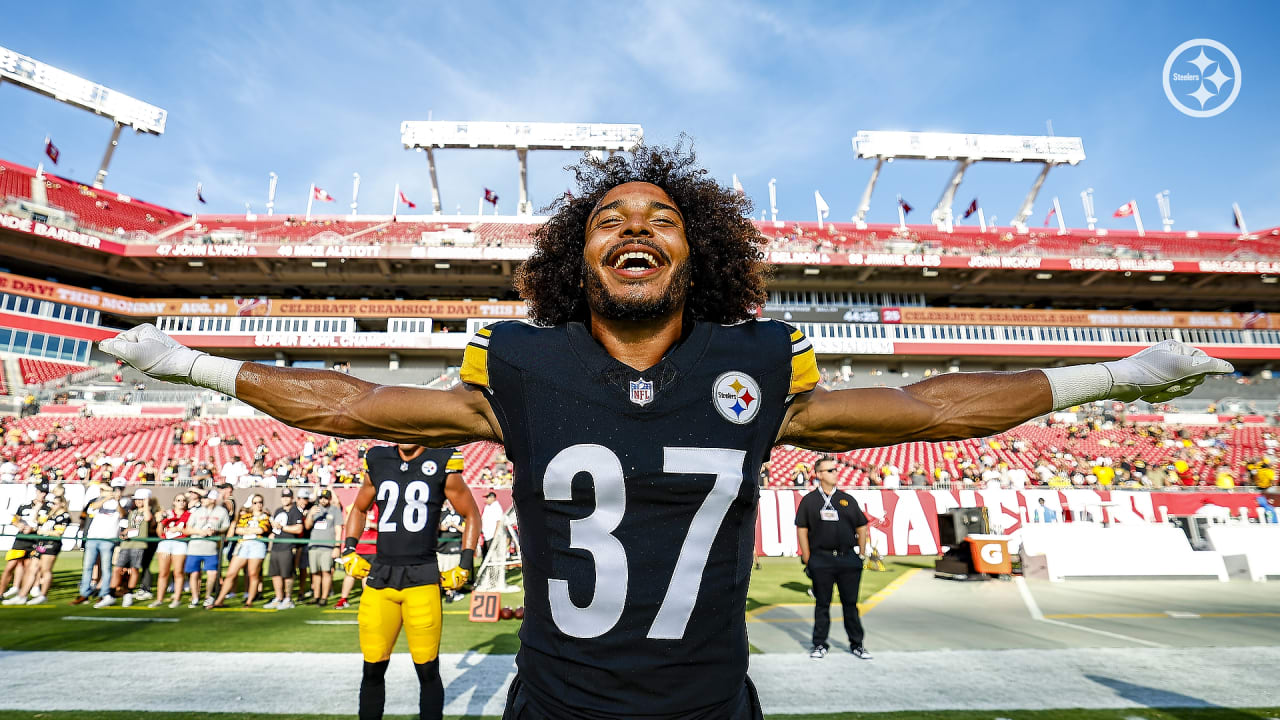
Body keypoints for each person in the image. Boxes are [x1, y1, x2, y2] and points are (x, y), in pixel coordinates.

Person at [101, 143, 1235, 719]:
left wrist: (1114, 374)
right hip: (557, 707)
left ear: (699, 255)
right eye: (609, 218)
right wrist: (187, 362)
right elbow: (348, 406)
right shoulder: (521, 366)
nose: (634, 228)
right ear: (574, 256)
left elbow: (930, 405)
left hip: (707, 708)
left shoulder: (752, 364)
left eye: (660, 219)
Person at [334, 444, 479, 720]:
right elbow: (359, 508)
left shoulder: (442, 459)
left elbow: (470, 513)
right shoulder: (378, 459)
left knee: (426, 669)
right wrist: (348, 549)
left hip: (422, 577)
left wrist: (465, 564)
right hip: (382, 577)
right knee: (372, 668)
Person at [795, 455, 871, 660]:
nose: (835, 473)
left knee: (850, 605)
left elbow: (862, 526)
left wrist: (861, 553)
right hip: (821, 559)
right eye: (830, 470)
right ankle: (820, 644)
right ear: (819, 474)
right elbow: (801, 528)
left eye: (835, 470)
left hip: (848, 559)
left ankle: (857, 644)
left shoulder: (847, 499)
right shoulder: (809, 501)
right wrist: (807, 556)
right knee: (822, 605)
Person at [74, 479, 126, 607]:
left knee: (106, 568)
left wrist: (117, 501)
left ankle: (104, 594)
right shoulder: (98, 500)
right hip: (93, 538)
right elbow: (93, 508)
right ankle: (84, 594)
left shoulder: (124, 501)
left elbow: (122, 514)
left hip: (108, 539)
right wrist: (107, 498)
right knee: (88, 567)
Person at [213, 494, 271, 608]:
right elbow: (238, 529)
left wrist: (247, 530)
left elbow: (262, 529)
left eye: (260, 502)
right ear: (252, 504)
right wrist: (252, 531)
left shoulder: (266, 517)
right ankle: (219, 600)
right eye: (255, 502)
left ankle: (249, 601)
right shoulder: (246, 517)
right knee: (231, 573)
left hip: (257, 545)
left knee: (253, 574)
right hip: (243, 545)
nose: (258, 505)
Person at [15, 495, 71, 605]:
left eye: (55, 504)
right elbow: (36, 521)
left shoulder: (64, 516)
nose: (53, 506)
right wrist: (37, 509)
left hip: (51, 544)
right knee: (32, 568)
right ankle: (22, 595)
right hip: (41, 544)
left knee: (46, 570)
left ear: (62, 504)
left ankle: (43, 595)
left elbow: (58, 533)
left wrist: (44, 532)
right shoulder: (50, 515)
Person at [109, 489, 157, 607]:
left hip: (139, 545)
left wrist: (146, 504)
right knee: (117, 569)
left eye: (141, 499)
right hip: (127, 544)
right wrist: (124, 533)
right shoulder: (132, 512)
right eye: (137, 499)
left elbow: (147, 519)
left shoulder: (149, 511)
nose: (138, 501)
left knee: (134, 569)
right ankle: (110, 595)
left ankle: (128, 594)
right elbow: (130, 526)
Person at [1, 483, 48, 604]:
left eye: (45, 492)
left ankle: (23, 593)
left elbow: (44, 524)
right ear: (36, 491)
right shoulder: (25, 505)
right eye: (41, 492)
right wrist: (18, 524)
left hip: (36, 540)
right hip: (21, 539)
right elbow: (14, 519)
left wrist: (33, 528)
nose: (43, 494)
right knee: (10, 566)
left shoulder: (48, 507)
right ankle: (1, 592)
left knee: (29, 567)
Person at [183, 489, 230, 608]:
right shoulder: (197, 512)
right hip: (195, 547)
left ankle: (208, 596)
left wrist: (216, 531)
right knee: (194, 574)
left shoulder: (222, 511)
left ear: (212, 499)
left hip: (211, 548)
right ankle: (195, 598)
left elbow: (225, 527)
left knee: (212, 573)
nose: (202, 500)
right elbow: (187, 529)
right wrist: (200, 532)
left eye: (205, 498)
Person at [266, 488, 304, 609]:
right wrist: (273, 533)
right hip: (276, 545)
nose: (285, 499)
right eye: (283, 497)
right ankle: (279, 597)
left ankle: (288, 599)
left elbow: (299, 529)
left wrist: (282, 527)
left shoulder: (296, 511)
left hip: (288, 546)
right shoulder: (278, 510)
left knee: (287, 574)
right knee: (275, 573)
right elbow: (275, 529)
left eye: (287, 497)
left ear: (292, 498)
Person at [152, 493, 191, 607]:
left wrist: (178, 530)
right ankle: (159, 599)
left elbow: (189, 531)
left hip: (180, 543)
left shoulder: (189, 515)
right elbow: (160, 533)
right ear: (174, 502)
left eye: (183, 500)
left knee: (178, 572)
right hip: (165, 543)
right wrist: (160, 521)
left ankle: (177, 599)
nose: (181, 502)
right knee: (163, 572)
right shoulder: (167, 513)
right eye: (178, 500)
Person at [305, 489, 341, 605]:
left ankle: (324, 597)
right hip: (314, 545)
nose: (323, 500)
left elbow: (338, 529)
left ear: (330, 499)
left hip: (327, 546)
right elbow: (307, 526)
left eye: (325, 498)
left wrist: (337, 546)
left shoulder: (335, 510)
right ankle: (316, 596)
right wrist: (310, 514)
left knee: (326, 571)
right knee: (315, 572)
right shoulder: (314, 510)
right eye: (321, 498)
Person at [479, 491, 503, 562]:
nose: (485, 499)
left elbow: (499, 521)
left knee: (492, 555)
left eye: (487, 497)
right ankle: (487, 571)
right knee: (485, 556)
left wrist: (496, 534)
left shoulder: (496, 507)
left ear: (493, 498)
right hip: (486, 535)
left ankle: (494, 571)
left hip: (492, 535)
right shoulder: (487, 507)